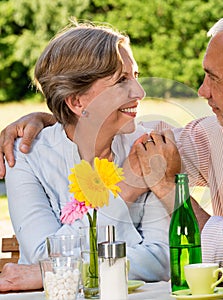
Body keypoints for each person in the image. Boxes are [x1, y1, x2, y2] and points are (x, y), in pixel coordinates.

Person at [0, 8, 223, 298]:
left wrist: (167, 187)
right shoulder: (218, 133)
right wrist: (56, 117)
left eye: (214, 77)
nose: (201, 90)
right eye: (122, 80)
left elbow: (193, 257)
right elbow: (41, 254)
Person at [0, 21, 171, 291]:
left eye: (136, 76)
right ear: (78, 101)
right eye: (121, 81)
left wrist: (68, 268)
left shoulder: (144, 148)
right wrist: (125, 189)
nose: (140, 92)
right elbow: (43, 257)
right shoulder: (26, 157)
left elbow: (160, 262)